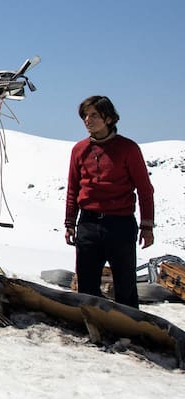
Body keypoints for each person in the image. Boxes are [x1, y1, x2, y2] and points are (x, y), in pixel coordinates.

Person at [64, 95, 155, 308]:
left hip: (120, 224)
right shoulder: (79, 149)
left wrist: (147, 226)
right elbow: (73, 188)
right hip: (88, 223)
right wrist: (69, 223)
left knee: (125, 286)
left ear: (108, 118)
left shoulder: (128, 149)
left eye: (94, 115)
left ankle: (130, 334)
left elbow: (145, 190)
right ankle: (92, 332)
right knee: (86, 285)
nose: (88, 120)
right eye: (85, 116)